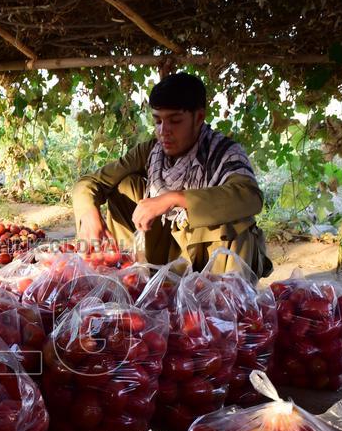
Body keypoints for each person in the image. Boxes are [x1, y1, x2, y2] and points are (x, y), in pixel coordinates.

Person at [71, 72, 272, 278]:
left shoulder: (225, 153)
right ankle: (130, 276)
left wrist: (174, 198)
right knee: (124, 186)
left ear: (199, 117)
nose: (164, 131)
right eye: (157, 121)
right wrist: (88, 213)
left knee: (235, 218)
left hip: (206, 261)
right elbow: (88, 183)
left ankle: (225, 298)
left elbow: (251, 197)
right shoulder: (150, 151)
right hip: (160, 252)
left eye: (175, 121)